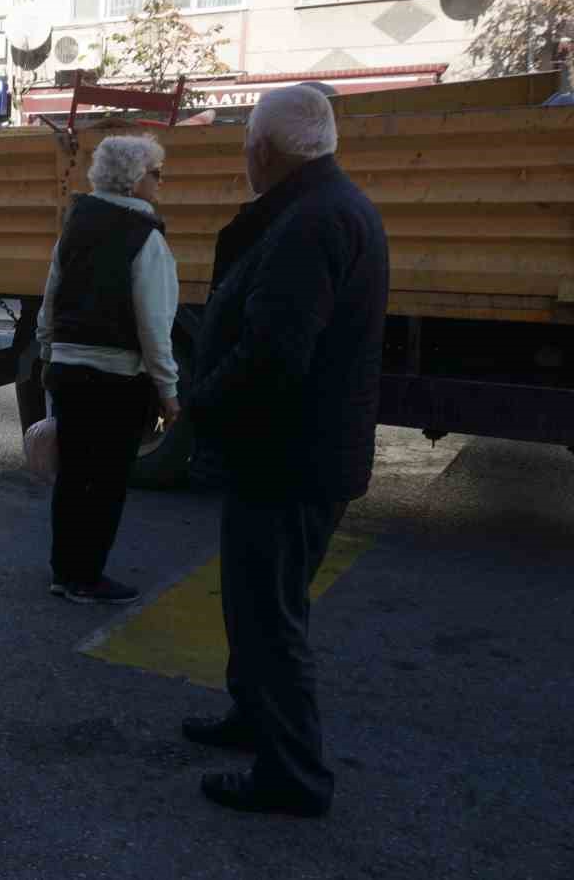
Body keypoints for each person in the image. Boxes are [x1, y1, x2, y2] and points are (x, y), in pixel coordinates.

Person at [181, 85, 388, 818]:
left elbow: (273, 355)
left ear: (262, 150)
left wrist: (194, 405)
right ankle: (251, 717)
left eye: (246, 144)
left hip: (288, 459)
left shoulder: (311, 221)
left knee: (271, 617)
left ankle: (293, 775)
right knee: (256, 602)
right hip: (298, 453)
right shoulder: (332, 205)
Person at [35, 135, 179, 605]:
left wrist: (46, 352)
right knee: (108, 483)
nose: (161, 182)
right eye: (157, 173)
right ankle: (87, 577)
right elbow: (153, 322)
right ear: (136, 180)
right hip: (116, 380)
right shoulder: (146, 236)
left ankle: (63, 571)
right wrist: (168, 389)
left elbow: (51, 295)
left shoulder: (75, 225)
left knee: (74, 477)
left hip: (69, 371)